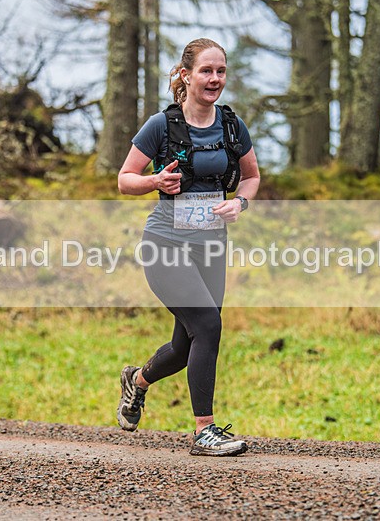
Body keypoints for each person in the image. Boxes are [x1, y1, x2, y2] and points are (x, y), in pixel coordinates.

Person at [116, 38, 261, 456]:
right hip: (164, 244)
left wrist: (240, 202)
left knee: (186, 345)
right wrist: (155, 182)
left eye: (220, 71)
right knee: (210, 327)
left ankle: (136, 380)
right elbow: (125, 179)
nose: (214, 79)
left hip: (211, 246)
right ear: (186, 75)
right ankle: (204, 431)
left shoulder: (232, 126)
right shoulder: (162, 125)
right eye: (206, 71)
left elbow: (251, 177)